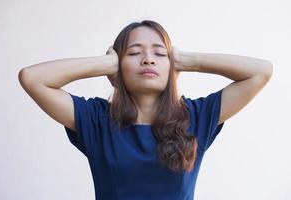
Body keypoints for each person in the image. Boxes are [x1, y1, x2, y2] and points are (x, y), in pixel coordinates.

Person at [18, 20, 273, 200]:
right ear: (118, 65)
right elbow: (32, 78)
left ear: (172, 64)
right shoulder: (96, 120)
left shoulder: (195, 117)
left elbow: (261, 72)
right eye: (134, 52)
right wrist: (104, 63)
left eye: (160, 53)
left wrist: (189, 60)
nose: (148, 59)